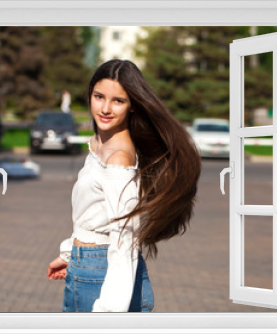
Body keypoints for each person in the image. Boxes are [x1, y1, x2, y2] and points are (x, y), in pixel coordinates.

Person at [47, 59, 201, 312]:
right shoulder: (99, 143)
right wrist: (70, 255)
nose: (105, 108)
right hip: (86, 266)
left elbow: (125, 238)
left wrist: (109, 313)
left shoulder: (119, 157)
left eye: (118, 101)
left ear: (132, 106)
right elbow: (93, 214)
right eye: (99, 96)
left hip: (103, 275)